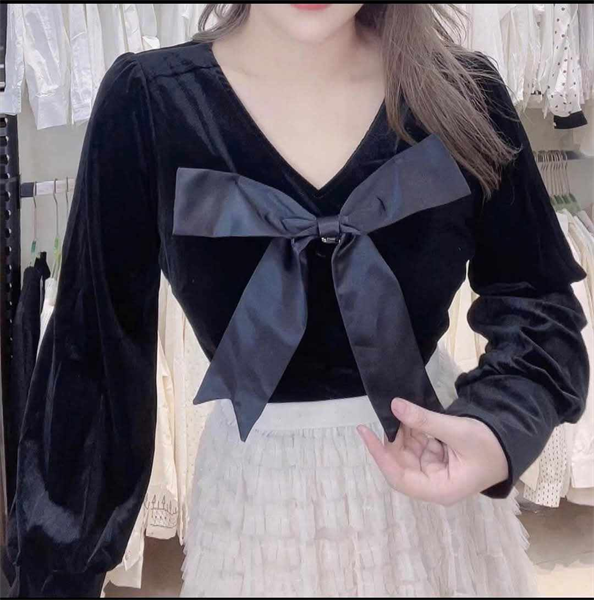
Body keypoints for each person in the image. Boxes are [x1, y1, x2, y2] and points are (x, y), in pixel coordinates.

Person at [7, 4, 589, 598]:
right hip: (256, 512)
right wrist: (54, 577)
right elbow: (91, 368)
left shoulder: (465, 95)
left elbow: (539, 303)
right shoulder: (150, 104)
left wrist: (495, 429)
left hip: (432, 487)